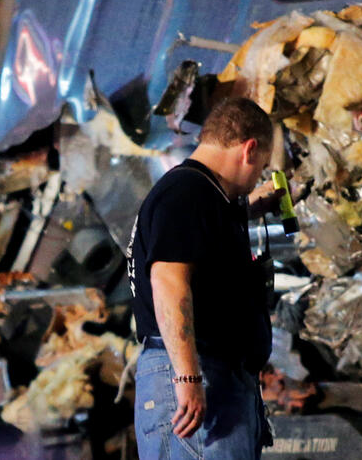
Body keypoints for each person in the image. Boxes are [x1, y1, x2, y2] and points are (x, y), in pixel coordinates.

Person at [128, 97, 281, 459]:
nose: (257, 178)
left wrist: (254, 205)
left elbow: (205, 235)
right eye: (262, 167)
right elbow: (168, 281)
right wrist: (187, 376)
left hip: (214, 375)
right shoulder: (186, 192)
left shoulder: (200, 196)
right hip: (195, 373)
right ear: (249, 149)